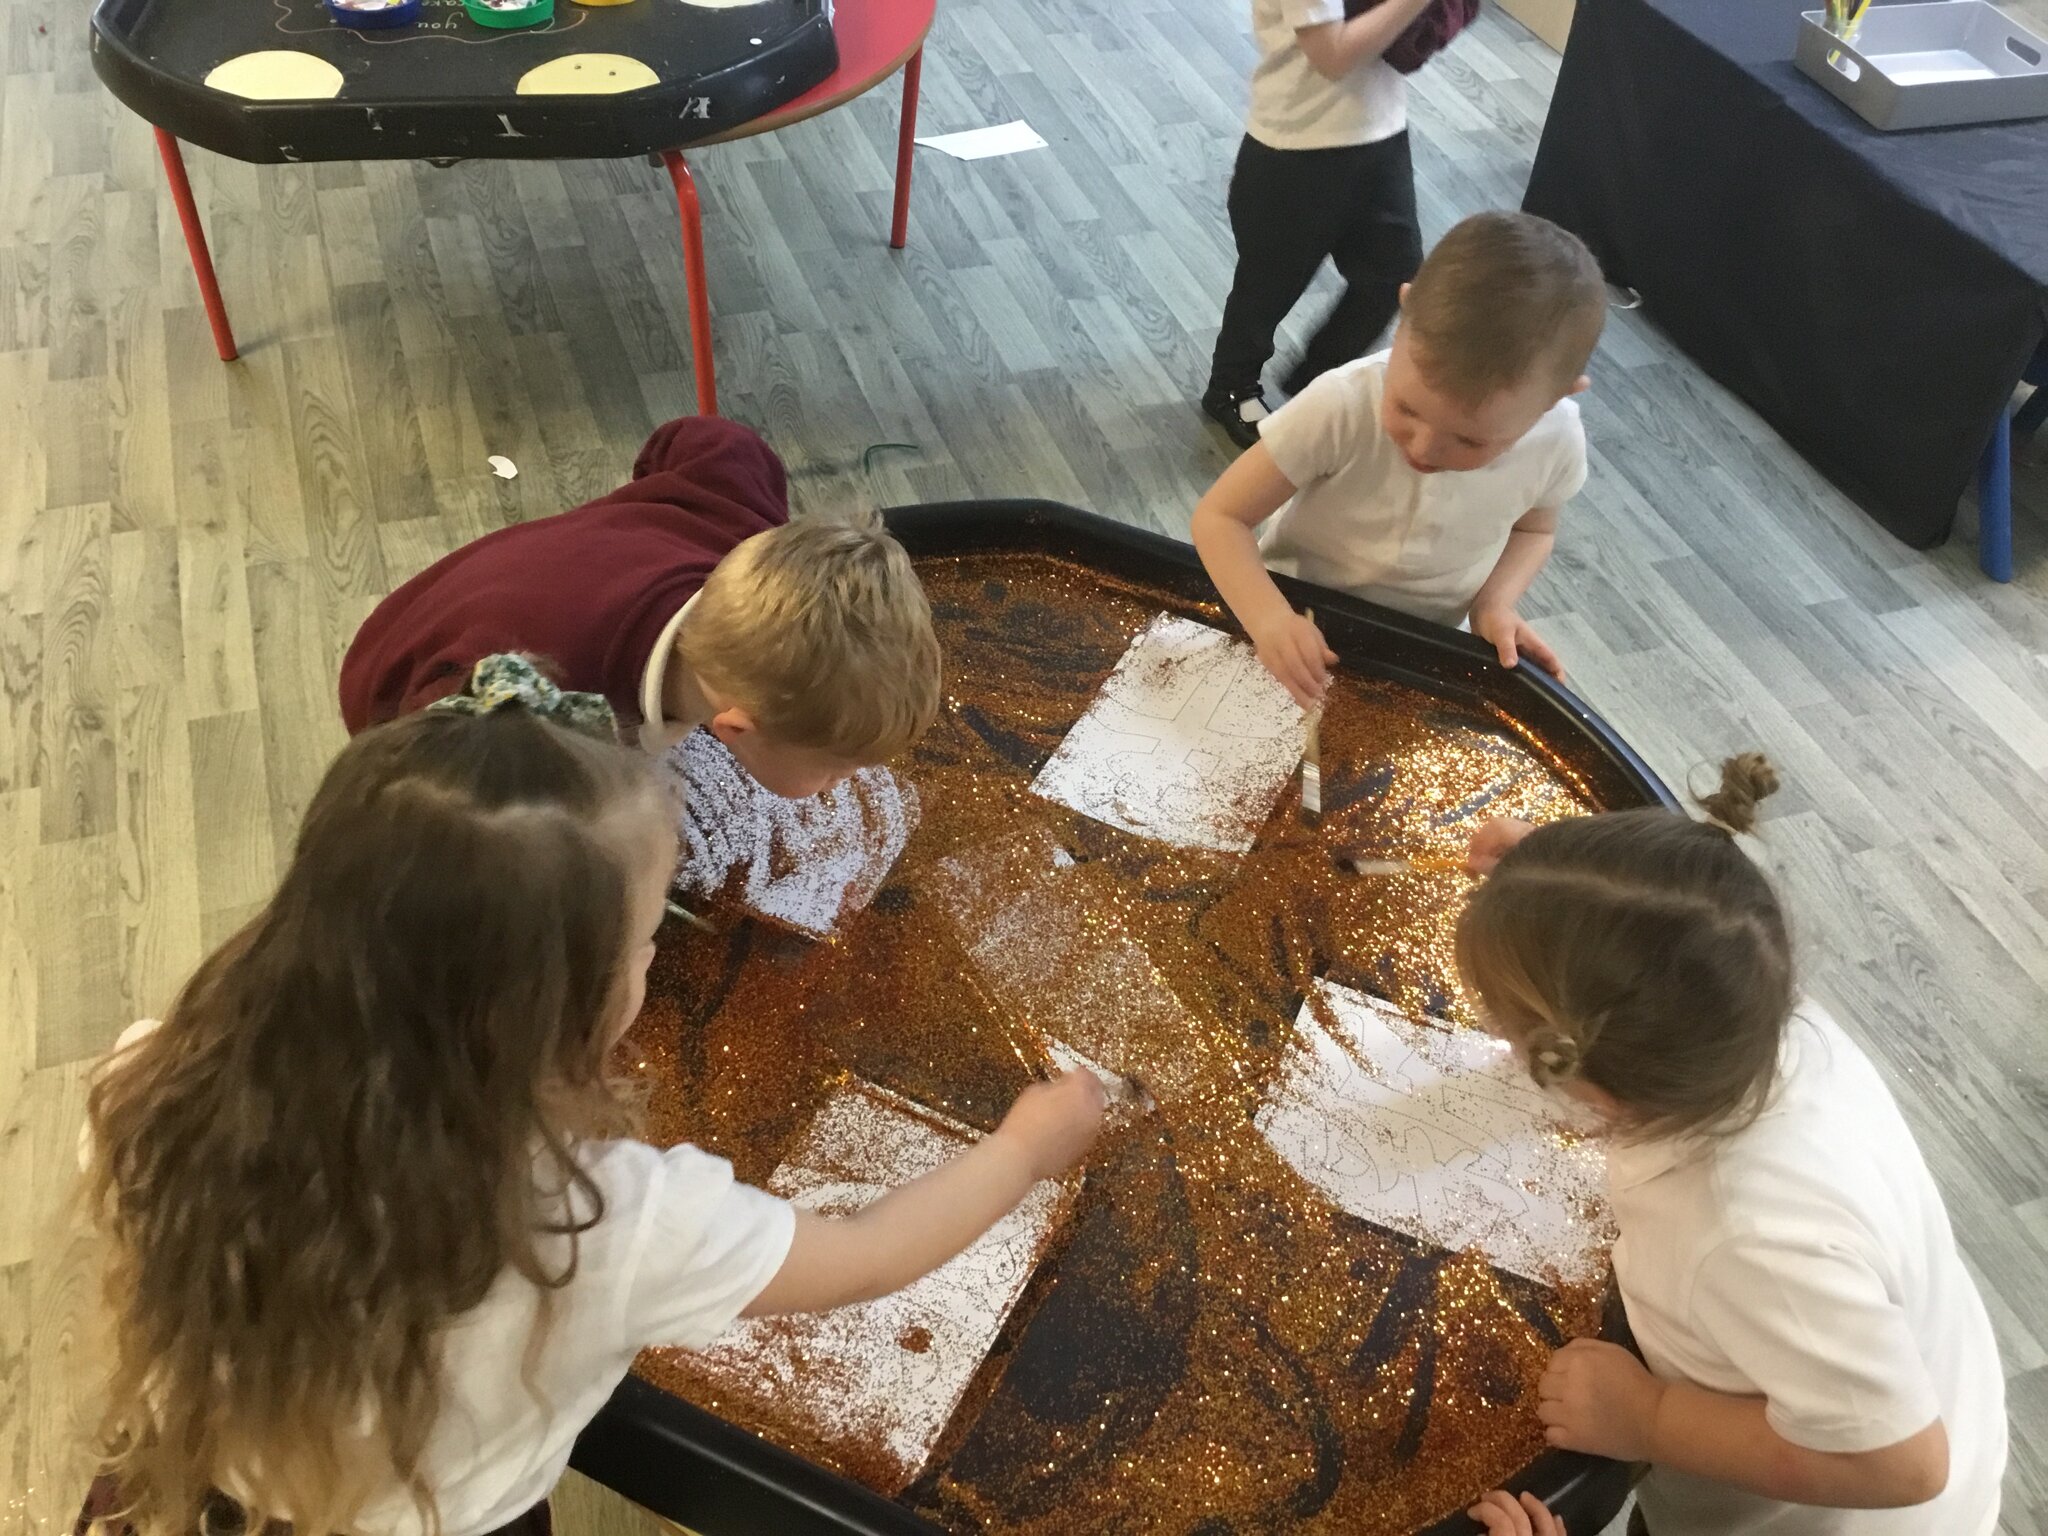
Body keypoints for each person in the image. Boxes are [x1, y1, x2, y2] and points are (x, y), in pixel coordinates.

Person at [79, 670, 1104, 1536]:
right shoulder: (608, 1220)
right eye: (646, 941)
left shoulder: (148, 1076)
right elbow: (867, 1255)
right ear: (557, 1005)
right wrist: (1021, 1147)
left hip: (173, 1484)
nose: (654, 954)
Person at [1454, 755, 2007, 1536]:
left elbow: (1906, 1462)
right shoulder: (1742, 1000)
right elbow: (1672, 937)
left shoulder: (1744, 1231)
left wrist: (1652, 1420)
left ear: (1599, 1088)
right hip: (1897, 1376)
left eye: (1510, 1032)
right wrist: (1558, 891)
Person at [339, 416, 941, 800]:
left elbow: (718, 442)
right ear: (733, 727)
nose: (851, 784)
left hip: (516, 583)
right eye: (834, 772)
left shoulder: (741, 522)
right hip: (401, 672)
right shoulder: (552, 710)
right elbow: (428, 767)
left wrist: (633, 503)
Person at [1192, 211, 1606, 706]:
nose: (1425, 448)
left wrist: (1494, 604)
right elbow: (1220, 518)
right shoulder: (1340, 405)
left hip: (1418, 644)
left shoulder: (1557, 439)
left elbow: (1534, 529)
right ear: (1404, 314)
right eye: (1407, 408)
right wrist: (1267, 618)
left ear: (1554, 398)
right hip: (1292, 608)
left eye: (1470, 441)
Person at [1200, 0, 1436, 448]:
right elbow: (1333, 56)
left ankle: (1318, 382)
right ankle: (1231, 387)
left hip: (1380, 132)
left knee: (1395, 276)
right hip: (1295, 149)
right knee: (1269, 286)